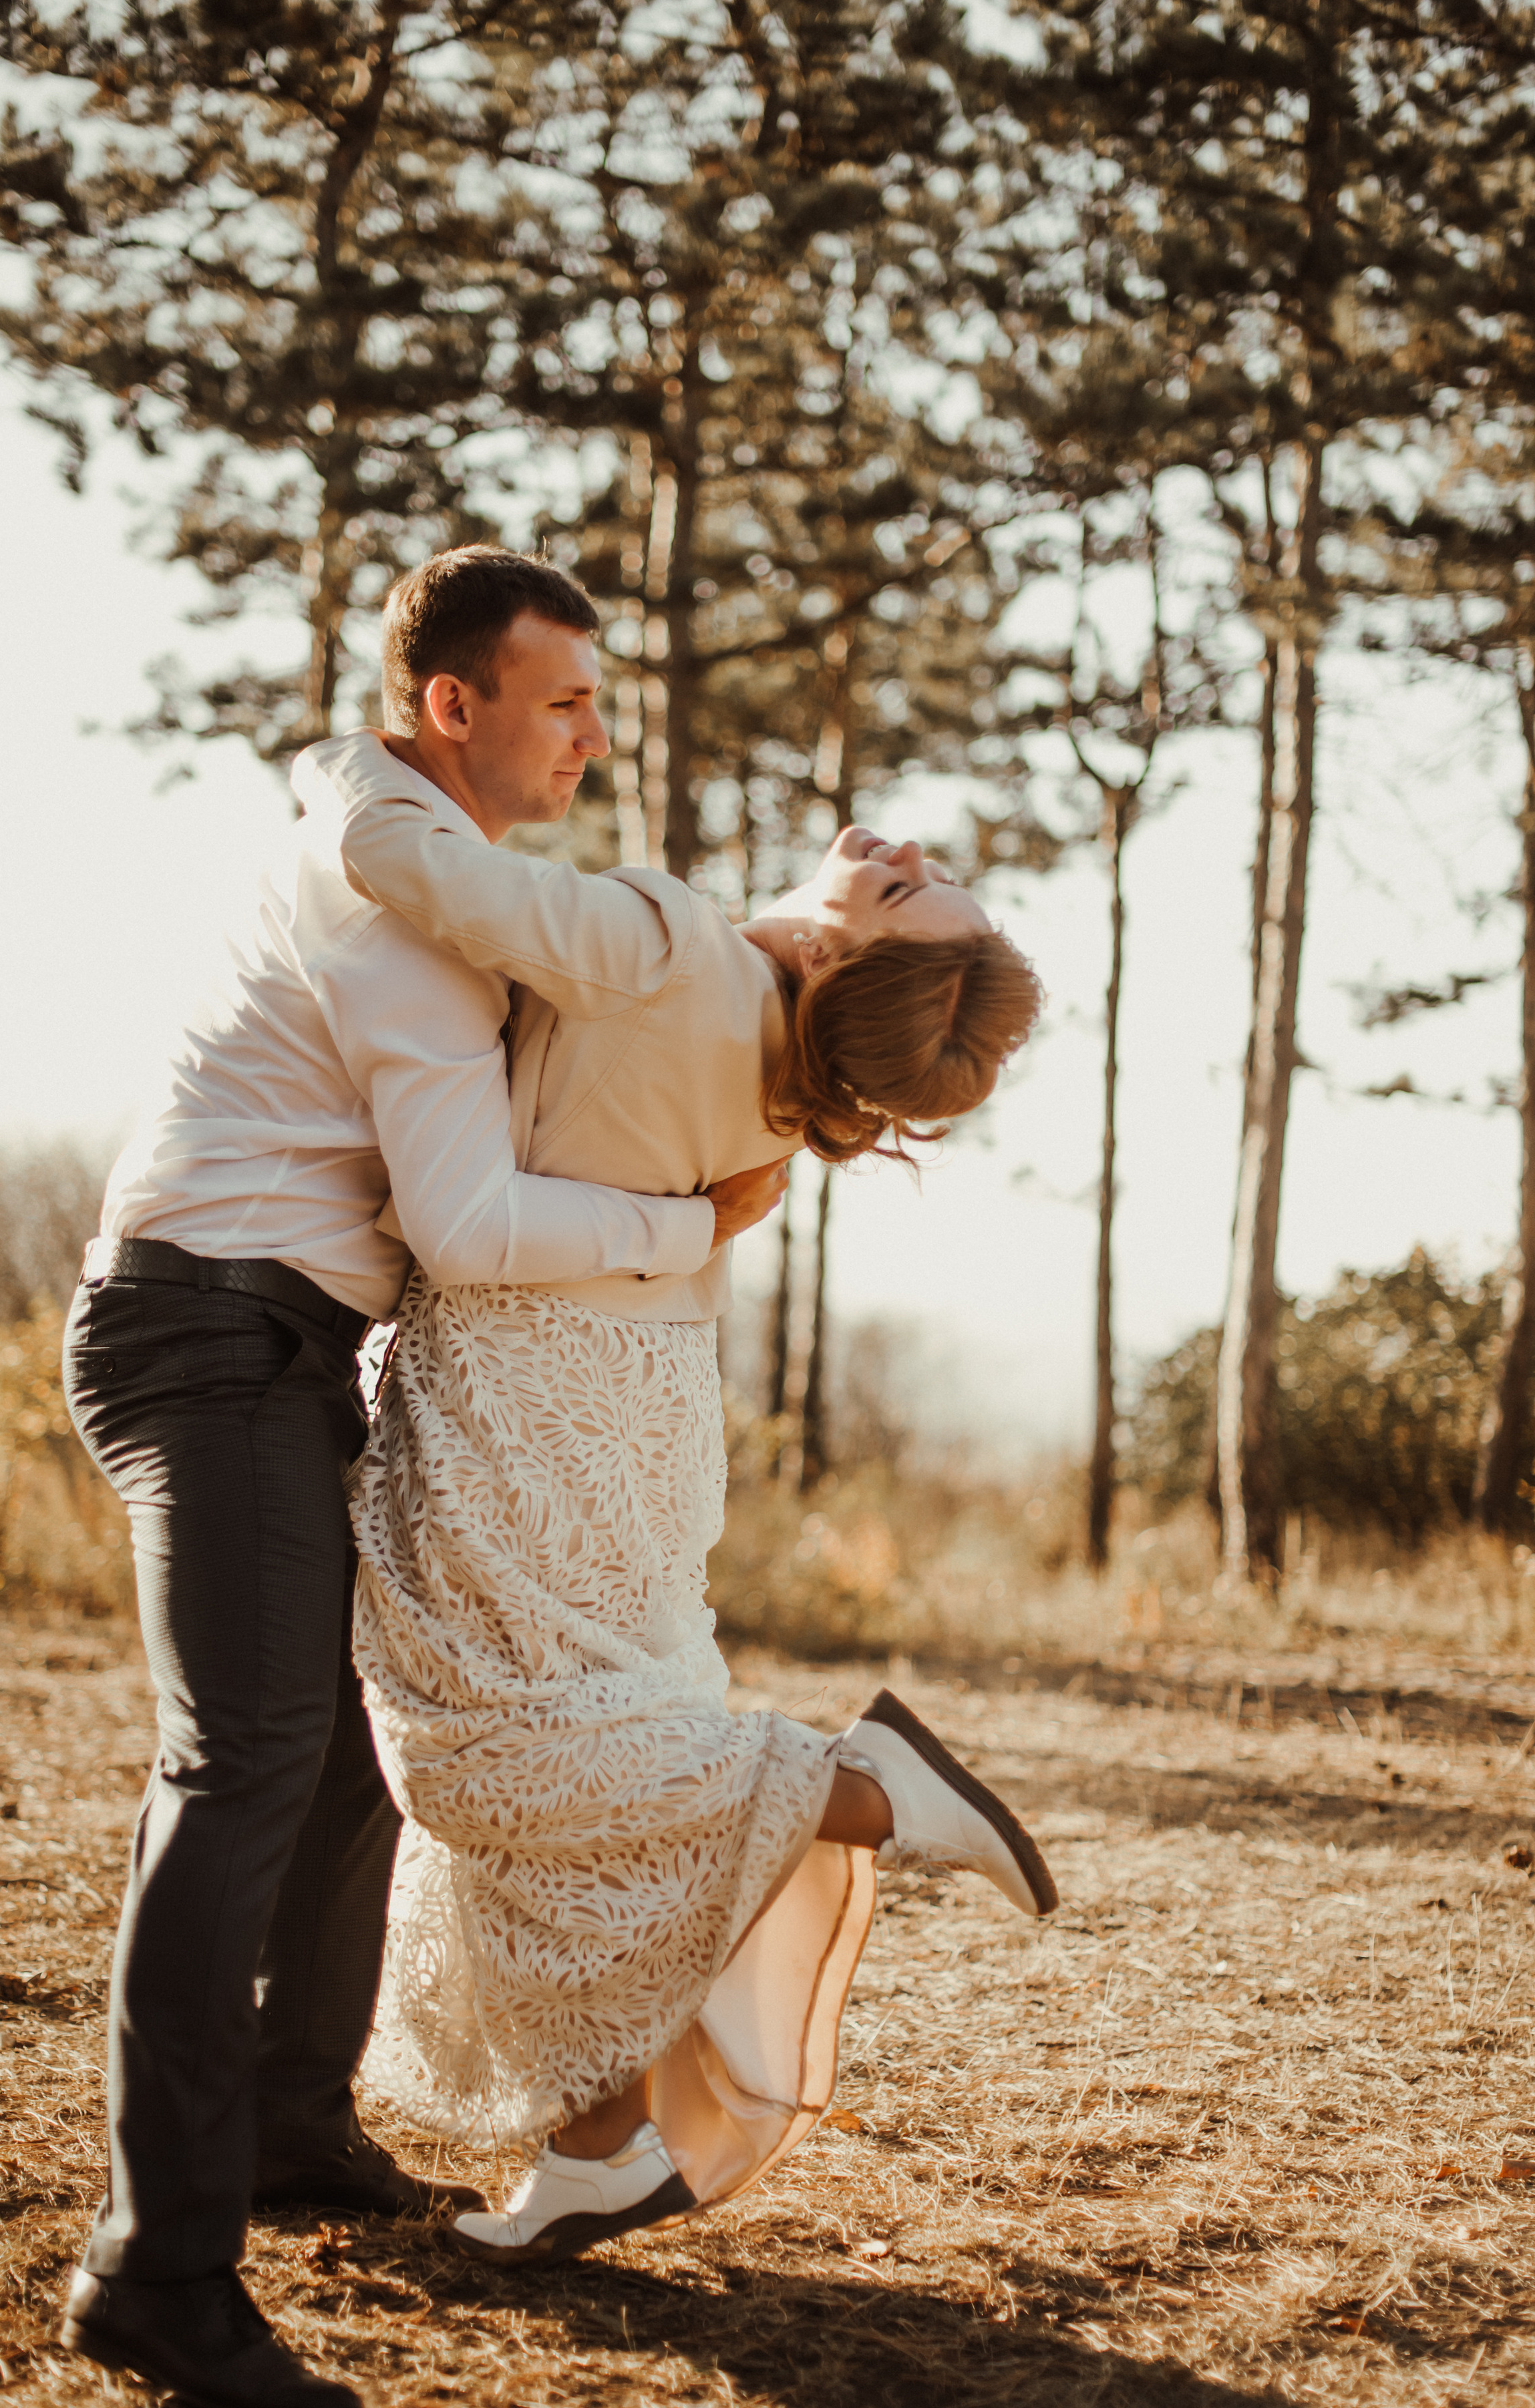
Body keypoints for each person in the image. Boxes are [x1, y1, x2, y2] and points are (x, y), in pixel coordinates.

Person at [56, 551, 789, 2408]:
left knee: (349, 1755)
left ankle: (298, 2125)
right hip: (207, 1334)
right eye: (564, 703)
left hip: (292, 1344)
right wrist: (682, 1227)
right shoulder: (395, 909)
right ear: (452, 704)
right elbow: (466, 1221)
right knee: (240, 1764)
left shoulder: (404, 846)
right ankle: (155, 2273)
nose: (596, 735)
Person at [293, 552, 1054, 2268]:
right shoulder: (792, 1081)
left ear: (851, 955)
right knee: (588, 1744)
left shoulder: (655, 944)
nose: (913, 861)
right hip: (645, 1404)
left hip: (524, 1391)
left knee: (473, 1749)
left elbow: (405, 854)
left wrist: (330, 757)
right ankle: (596, 2142)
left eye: (916, 900)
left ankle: (848, 1786)